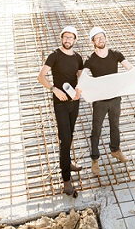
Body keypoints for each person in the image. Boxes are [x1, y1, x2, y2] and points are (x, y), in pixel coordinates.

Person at [83, 26, 135, 175]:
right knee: (96, 130)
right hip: (100, 101)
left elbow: (130, 68)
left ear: (105, 38)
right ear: (92, 42)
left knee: (115, 126)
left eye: (102, 37)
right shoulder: (90, 60)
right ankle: (94, 159)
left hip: (115, 98)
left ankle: (115, 150)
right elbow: (83, 76)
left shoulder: (116, 54)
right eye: (97, 38)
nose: (101, 40)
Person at [37, 25, 84, 195]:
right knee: (65, 139)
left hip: (74, 102)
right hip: (60, 103)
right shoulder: (54, 55)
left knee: (70, 135)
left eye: (71, 38)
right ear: (61, 38)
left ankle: (68, 162)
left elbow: (81, 77)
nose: (67, 40)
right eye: (65, 37)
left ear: (75, 40)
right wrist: (53, 89)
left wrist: (80, 89)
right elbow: (41, 76)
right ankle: (66, 180)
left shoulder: (78, 58)